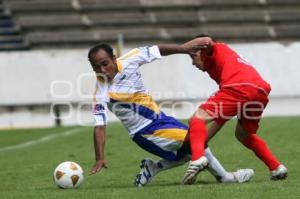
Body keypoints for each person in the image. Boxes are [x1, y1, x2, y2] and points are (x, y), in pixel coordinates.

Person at [87, 43, 254, 187]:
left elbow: (157, 50)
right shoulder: (101, 93)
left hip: (160, 119)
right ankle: (225, 178)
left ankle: (153, 168)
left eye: (105, 64)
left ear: (114, 58)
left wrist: (184, 48)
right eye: (96, 67)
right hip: (145, 131)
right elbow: (100, 126)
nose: (102, 70)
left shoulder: (131, 58)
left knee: (191, 148)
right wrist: (100, 158)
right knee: (196, 142)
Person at [181, 35, 287, 184]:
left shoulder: (213, 49)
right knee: (243, 134)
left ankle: (197, 159)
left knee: (197, 117)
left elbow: (207, 40)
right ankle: (276, 167)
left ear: (202, 50)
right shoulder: (221, 67)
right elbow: (221, 118)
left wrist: (181, 49)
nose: (193, 62)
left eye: (193, 56)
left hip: (240, 86)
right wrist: (200, 142)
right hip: (259, 91)